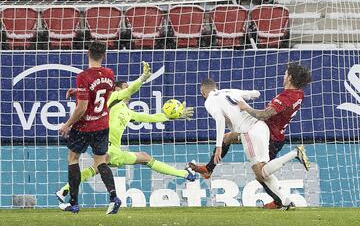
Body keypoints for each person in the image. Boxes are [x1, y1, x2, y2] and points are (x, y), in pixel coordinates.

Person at [56, 65, 196, 205]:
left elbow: (150, 117)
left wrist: (175, 116)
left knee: (140, 158)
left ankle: (65, 190)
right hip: (106, 146)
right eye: (125, 87)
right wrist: (142, 79)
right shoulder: (113, 99)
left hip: (115, 150)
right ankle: (65, 190)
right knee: (100, 166)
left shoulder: (128, 112)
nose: (128, 90)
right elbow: (119, 91)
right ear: (117, 89)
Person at [189, 62, 312, 209]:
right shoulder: (299, 94)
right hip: (267, 130)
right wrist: (252, 95)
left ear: (290, 78)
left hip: (268, 134)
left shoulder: (285, 98)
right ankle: (209, 169)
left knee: (261, 174)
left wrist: (246, 107)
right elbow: (254, 94)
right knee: (227, 138)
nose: (283, 75)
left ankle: (285, 189)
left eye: (285, 73)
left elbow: (263, 114)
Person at [59, 41, 120, 214]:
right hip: (102, 124)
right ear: (104, 55)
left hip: (85, 126)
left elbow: (82, 108)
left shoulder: (83, 76)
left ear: (88, 53)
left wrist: (67, 124)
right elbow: (102, 94)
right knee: (101, 161)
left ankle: (74, 203)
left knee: (73, 159)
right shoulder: (109, 73)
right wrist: (79, 92)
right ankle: (114, 197)